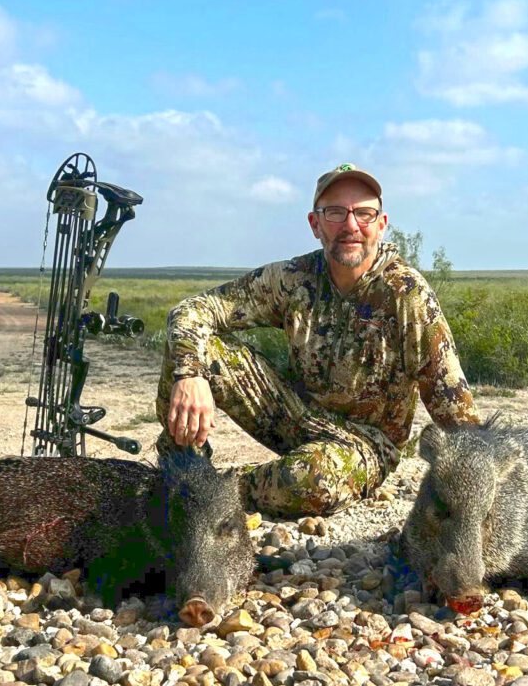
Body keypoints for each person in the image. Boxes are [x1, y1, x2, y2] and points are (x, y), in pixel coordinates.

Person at [156, 163, 480, 517]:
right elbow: (191, 311)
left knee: (308, 481)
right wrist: (190, 374)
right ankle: (180, 467)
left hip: (364, 446)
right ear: (315, 224)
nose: (351, 226)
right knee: (190, 345)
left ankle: (208, 490)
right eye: (336, 213)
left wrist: (478, 485)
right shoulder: (294, 278)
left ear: (382, 225)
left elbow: (455, 410)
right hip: (296, 417)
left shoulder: (406, 294)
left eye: (364, 214)